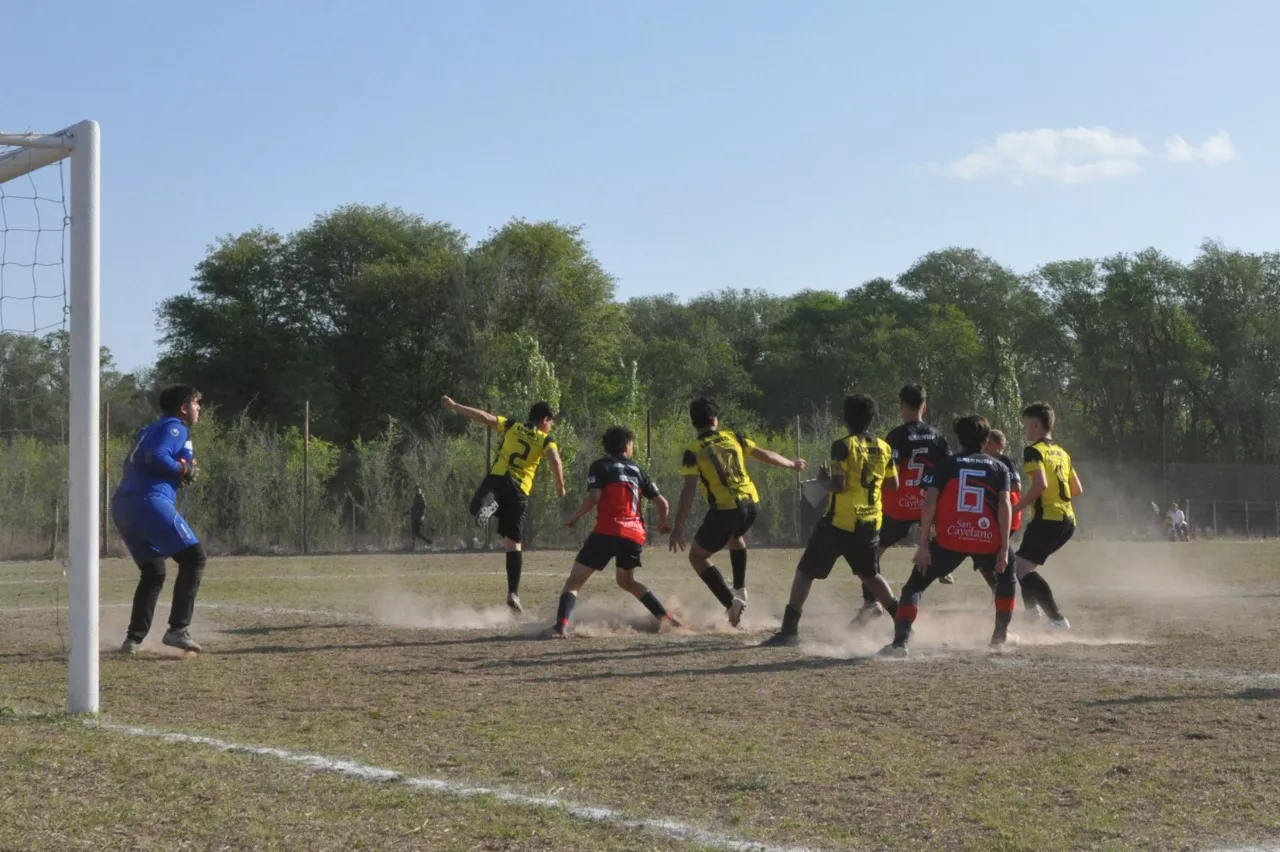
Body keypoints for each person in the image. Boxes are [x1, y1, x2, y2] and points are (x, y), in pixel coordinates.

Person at [762, 394, 899, 646]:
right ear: (872, 418)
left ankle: (789, 629)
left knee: (805, 572)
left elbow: (838, 485)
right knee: (870, 575)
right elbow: (893, 484)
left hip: (840, 522)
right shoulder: (884, 447)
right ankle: (903, 627)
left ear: (846, 418)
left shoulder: (843, 446)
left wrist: (823, 478)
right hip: (870, 521)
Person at [881, 414, 1014, 656]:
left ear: (959, 440)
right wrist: (1004, 548)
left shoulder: (946, 465)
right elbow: (1005, 506)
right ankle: (999, 638)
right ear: (986, 441)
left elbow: (929, 502)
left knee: (915, 585)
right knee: (1007, 580)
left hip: (950, 538)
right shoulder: (1000, 467)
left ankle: (900, 642)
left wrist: (923, 544)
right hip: (987, 540)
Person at [669, 397, 806, 626]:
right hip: (752, 504)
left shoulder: (693, 451)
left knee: (697, 556)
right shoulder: (734, 437)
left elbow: (689, 489)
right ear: (715, 419)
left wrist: (679, 525)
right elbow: (767, 455)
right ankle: (740, 589)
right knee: (735, 537)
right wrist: (791, 465)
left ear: (695, 423)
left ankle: (730, 601)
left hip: (725, 509)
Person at [442, 396, 567, 613]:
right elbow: (555, 460)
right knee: (513, 544)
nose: (551, 426)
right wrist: (560, 486)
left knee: (475, 507)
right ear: (545, 419)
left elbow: (485, 417)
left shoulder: (512, 425)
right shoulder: (546, 440)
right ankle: (513, 593)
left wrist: (456, 406)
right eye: (551, 422)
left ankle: (491, 506)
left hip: (499, 478)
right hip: (520, 491)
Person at [551, 426, 678, 637]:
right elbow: (662, 503)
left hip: (607, 532)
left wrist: (574, 517)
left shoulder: (600, 466)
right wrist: (663, 523)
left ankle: (561, 626)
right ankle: (667, 619)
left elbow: (594, 497)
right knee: (626, 581)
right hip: (634, 535)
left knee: (574, 582)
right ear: (627, 445)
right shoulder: (638, 470)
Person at [112, 385, 207, 654]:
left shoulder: (149, 429)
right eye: (196, 403)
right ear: (183, 406)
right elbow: (157, 456)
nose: (199, 408)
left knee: (154, 572)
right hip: (149, 502)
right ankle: (178, 630)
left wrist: (182, 468)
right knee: (194, 558)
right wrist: (182, 468)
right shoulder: (175, 427)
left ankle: (133, 640)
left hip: (123, 506)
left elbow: (144, 457)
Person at [852, 384, 950, 625]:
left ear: (902, 407)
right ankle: (946, 566)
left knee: (871, 556)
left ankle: (871, 602)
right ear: (924, 407)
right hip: (927, 504)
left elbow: (889, 471)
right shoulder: (937, 436)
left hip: (898, 506)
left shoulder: (896, 435)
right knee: (943, 544)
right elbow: (947, 469)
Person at [1012, 402, 1082, 629]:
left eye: (1026, 426)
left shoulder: (1033, 451)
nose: (1025, 431)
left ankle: (1056, 618)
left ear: (1035, 424)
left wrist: (1015, 508)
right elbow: (1077, 489)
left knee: (1021, 568)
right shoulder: (1063, 452)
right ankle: (1031, 611)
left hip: (1049, 519)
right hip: (1068, 520)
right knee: (1023, 565)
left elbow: (1039, 485)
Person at [975, 428, 1022, 595]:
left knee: (986, 554)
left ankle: (1003, 592)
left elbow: (1017, 486)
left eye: (990, 443)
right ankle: (999, 591)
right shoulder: (987, 463)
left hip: (1008, 516)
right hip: (995, 516)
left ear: (999, 445)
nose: (985, 447)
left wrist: (997, 485)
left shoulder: (1004, 461)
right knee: (981, 554)